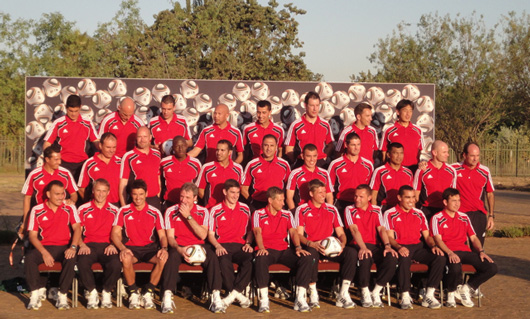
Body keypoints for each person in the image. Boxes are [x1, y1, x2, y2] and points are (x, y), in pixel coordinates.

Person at [161, 182, 224, 314]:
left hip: (199, 245)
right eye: (182, 196)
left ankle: (216, 296)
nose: (183, 200)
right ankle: (167, 296)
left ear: (195, 198)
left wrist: (188, 216)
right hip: (180, 245)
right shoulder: (170, 211)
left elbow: (202, 235)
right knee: (171, 257)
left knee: (212, 257)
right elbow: (170, 238)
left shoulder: (203, 212)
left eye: (188, 197)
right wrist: (179, 249)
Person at [295, 179, 358, 309]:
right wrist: (311, 244)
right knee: (309, 255)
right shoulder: (302, 209)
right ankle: (312, 293)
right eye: (320, 192)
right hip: (313, 246)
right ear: (311, 194)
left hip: (331, 247)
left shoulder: (332, 209)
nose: (324, 195)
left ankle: (343, 294)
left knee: (351, 253)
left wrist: (342, 244)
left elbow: (341, 234)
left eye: (324, 192)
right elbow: (298, 235)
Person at [431, 188, 497, 308]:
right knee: (455, 266)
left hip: (464, 251)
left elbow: (473, 237)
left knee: (491, 267)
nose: (457, 204)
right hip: (448, 251)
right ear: (445, 202)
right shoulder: (437, 218)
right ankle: (450, 294)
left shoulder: (464, 217)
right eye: (454, 201)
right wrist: (449, 253)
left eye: (459, 200)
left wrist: (481, 251)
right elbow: (438, 239)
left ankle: (466, 288)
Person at [384, 185, 445, 310]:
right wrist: (399, 247)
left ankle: (429, 294)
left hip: (418, 247)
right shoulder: (389, 213)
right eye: (407, 197)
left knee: (439, 257)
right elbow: (389, 237)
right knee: (404, 258)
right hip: (400, 246)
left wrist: (433, 246)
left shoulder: (419, 213)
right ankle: (405, 294)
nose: (411, 201)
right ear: (399, 198)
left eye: (413, 197)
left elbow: (427, 236)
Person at [253, 186, 313, 313]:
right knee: (260, 258)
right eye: (280, 200)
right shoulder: (258, 214)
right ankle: (264, 299)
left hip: (283, 250)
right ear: (270, 200)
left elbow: (293, 232)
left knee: (306, 258)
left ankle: (300, 298)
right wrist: (262, 248)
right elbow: (257, 232)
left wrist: (298, 247)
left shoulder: (286, 214)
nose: (283, 203)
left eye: (283, 200)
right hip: (267, 249)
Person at [111, 179, 168, 310]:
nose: (138, 198)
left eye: (141, 194)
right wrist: (122, 248)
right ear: (131, 194)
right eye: (135, 194)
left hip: (150, 249)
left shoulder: (155, 212)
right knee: (125, 258)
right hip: (131, 249)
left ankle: (148, 292)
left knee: (163, 258)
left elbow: (163, 235)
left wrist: (164, 248)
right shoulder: (123, 211)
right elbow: (114, 234)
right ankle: (133, 293)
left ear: (146, 194)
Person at [25, 180, 81, 310]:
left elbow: (77, 228)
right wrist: (44, 252)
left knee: (71, 257)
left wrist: (73, 247)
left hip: (64, 246)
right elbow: (32, 236)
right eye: (57, 194)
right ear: (48, 194)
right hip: (44, 246)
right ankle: (34, 295)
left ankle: (62, 295)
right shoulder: (37, 209)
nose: (61, 197)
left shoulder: (69, 207)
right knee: (29, 258)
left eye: (62, 194)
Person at [344, 184, 398, 308]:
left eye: (361, 197)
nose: (357, 199)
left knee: (392, 257)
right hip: (357, 244)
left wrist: (388, 246)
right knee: (365, 256)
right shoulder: (349, 209)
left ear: (369, 197)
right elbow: (354, 230)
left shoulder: (377, 210)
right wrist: (363, 247)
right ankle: (364, 291)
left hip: (375, 245)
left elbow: (381, 229)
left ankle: (376, 291)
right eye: (356, 196)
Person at [208, 180, 253, 310]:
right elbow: (211, 235)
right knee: (223, 260)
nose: (235, 195)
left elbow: (250, 231)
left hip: (240, 246)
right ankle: (239, 296)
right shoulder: (215, 210)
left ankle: (232, 295)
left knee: (249, 259)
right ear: (224, 192)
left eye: (238, 193)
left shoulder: (245, 208)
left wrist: (248, 243)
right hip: (222, 245)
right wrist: (217, 246)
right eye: (232, 192)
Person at [76, 178, 121, 309]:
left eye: (104, 191)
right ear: (93, 191)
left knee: (116, 264)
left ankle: (107, 292)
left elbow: (118, 233)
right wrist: (81, 244)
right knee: (82, 262)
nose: (101, 194)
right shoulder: (83, 209)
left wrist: (114, 244)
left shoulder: (115, 210)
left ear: (108, 192)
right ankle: (92, 292)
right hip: (88, 245)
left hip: (108, 245)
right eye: (98, 191)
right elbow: (77, 231)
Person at [21, 145, 78, 237]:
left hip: (60, 218)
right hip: (40, 218)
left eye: (60, 159)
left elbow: (74, 194)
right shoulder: (34, 175)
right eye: (56, 159)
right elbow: (27, 198)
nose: (59, 162)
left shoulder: (65, 173)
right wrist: (25, 221)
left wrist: (71, 201)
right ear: (47, 159)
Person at [43, 94, 99, 179]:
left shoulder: (87, 123)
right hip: (63, 163)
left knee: (82, 190)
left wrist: (105, 150)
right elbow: (47, 144)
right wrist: (48, 161)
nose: (73, 114)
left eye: (76, 111)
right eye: (70, 111)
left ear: (80, 107)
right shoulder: (58, 123)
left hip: (82, 163)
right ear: (66, 107)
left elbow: (96, 141)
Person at [451, 142, 495, 246]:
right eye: (472, 156)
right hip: (459, 214)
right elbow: (438, 166)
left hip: (478, 215)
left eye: (477, 156)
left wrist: (491, 216)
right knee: (460, 247)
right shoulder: (454, 169)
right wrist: (424, 164)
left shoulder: (485, 171)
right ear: (464, 155)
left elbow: (490, 194)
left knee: (477, 248)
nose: (475, 159)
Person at [285, 92, 335, 167]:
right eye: (312, 105)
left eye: (317, 105)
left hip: (320, 164)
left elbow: (330, 145)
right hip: (302, 163)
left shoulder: (325, 124)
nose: (315, 109)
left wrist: (323, 158)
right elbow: (289, 148)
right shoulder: (296, 125)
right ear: (305, 105)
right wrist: (296, 162)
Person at [241, 134, 291, 211]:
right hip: (257, 204)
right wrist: (252, 202)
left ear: (276, 147)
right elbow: (243, 188)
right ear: (261, 146)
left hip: (278, 205)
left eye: (271, 145)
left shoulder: (284, 164)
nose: (268, 148)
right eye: (266, 145)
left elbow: (289, 187)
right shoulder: (252, 164)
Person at [328, 132, 374, 214]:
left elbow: (370, 189)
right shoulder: (335, 164)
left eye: (358, 144)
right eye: (353, 145)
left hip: (361, 205)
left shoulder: (368, 165)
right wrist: (330, 209)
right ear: (346, 145)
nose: (356, 148)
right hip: (341, 204)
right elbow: (329, 189)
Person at [119, 126, 162, 210]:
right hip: (136, 201)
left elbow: (158, 177)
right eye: (139, 137)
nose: (142, 140)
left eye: (145, 137)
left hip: (154, 201)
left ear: (150, 137)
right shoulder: (129, 156)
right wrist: (124, 208)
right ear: (136, 138)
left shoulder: (157, 154)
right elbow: (122, 185)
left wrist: (158, 195)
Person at [414, 140, 457, 220]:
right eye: (444, 152)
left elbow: (453, 194)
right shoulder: (422, 170)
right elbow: (416, 195)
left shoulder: (452, 171)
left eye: (447, 152)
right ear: (434, 153)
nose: (447, 155)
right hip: (427, 211)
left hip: (445, 211)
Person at [78, 132, 122, 206]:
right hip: (97, 206)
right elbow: (81, 188)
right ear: (100, 146)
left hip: (117, 205)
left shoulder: (120, 163)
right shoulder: (90, 163)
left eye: (114, 147)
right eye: (108, 147)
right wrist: (90, 204)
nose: (111, 150)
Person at [196, 140, 243, 208]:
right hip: (211, 209)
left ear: (229, 152)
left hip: (231, 209)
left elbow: (240, 189)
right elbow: (200, 190)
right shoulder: (207, 167)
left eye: (222, 150)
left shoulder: (238, 168)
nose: (218, 153)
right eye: (217, 150)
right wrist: (209, 203)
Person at [286, 144, 334, 211]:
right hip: (302, 211)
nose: (312, 159)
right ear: (302, 156)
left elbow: (329, 196)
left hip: (321, 211)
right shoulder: (295, 173)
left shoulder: (324, 173)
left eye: (314, 156)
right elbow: (289, 198)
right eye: (308, 156)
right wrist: (295, 213)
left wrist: (328, 212)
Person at [381, 99, 424, 171]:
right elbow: (384, 151)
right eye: (405, 110)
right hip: (395, 169)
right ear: (398, 112)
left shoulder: (418, 130)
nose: (408, 114)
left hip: (414, 168)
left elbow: (421, 150)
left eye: (410, 111)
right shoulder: (389, 130)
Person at [160, 135, 201, 208]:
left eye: (183, 146)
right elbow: (160, 182)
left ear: (186, 146)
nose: (180, 149)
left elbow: (198, 185)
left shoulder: (196, 163)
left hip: (188, 204)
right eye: (177, 146)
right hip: (169, 203)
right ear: (172, 148)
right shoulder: (164, 163)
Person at [370, 142, 413, 211]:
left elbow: (411, 195)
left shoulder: (408, 173)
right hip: (385, 208)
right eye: (396, 153)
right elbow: (373, 195)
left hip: (403, 209)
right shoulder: (379, 171)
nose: (399, 156)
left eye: (401, 153)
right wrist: (374, 212)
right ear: (388, 155)